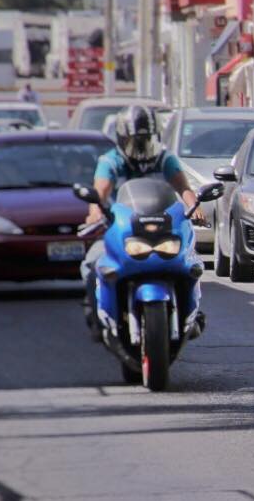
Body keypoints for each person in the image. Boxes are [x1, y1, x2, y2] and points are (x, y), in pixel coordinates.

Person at [81, 106, 203, 333]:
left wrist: (194, 206)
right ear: (123, 138)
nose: (141, 147)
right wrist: (95, 212)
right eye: (136, 141)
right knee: (93, 261)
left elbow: (183, 187)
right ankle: (97, 314)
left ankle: (192, 312)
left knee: (190, 262)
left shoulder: (164, 158)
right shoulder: (111, 161)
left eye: (146, 140)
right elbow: (100, 194)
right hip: (121, 228)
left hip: (162, 226)